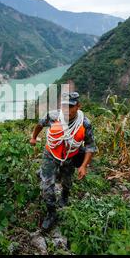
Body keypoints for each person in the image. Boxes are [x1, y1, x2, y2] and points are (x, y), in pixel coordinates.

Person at [30, 92, 98, 231]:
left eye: (71, 106)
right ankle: (51, 213)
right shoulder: (52, 116)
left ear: (78, 106)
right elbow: (39, 125)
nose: (67, 110)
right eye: (64, 106)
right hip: (50, 154)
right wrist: (33, 137)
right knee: (47, 185)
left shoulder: (84, 123)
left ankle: (65, 195)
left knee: (67, 180)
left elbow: (90, 146)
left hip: (70, 157)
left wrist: (84, 166)